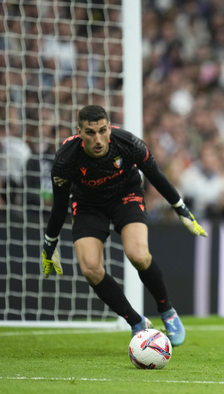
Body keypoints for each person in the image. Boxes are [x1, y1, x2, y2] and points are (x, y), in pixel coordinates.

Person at [41, 105, 207, 346]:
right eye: (90, 133)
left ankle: (167, 310)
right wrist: (50, 243)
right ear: (79, 132)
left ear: (109, 128)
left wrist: (180, 208)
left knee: (138, 255)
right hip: (88, 205)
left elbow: (156, 176)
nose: (98, 139)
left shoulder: (128, 143)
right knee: (89, 267)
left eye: (102, 130)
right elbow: (58, 206)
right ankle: (136, 322)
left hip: (125, 196)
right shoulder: (65, 160)